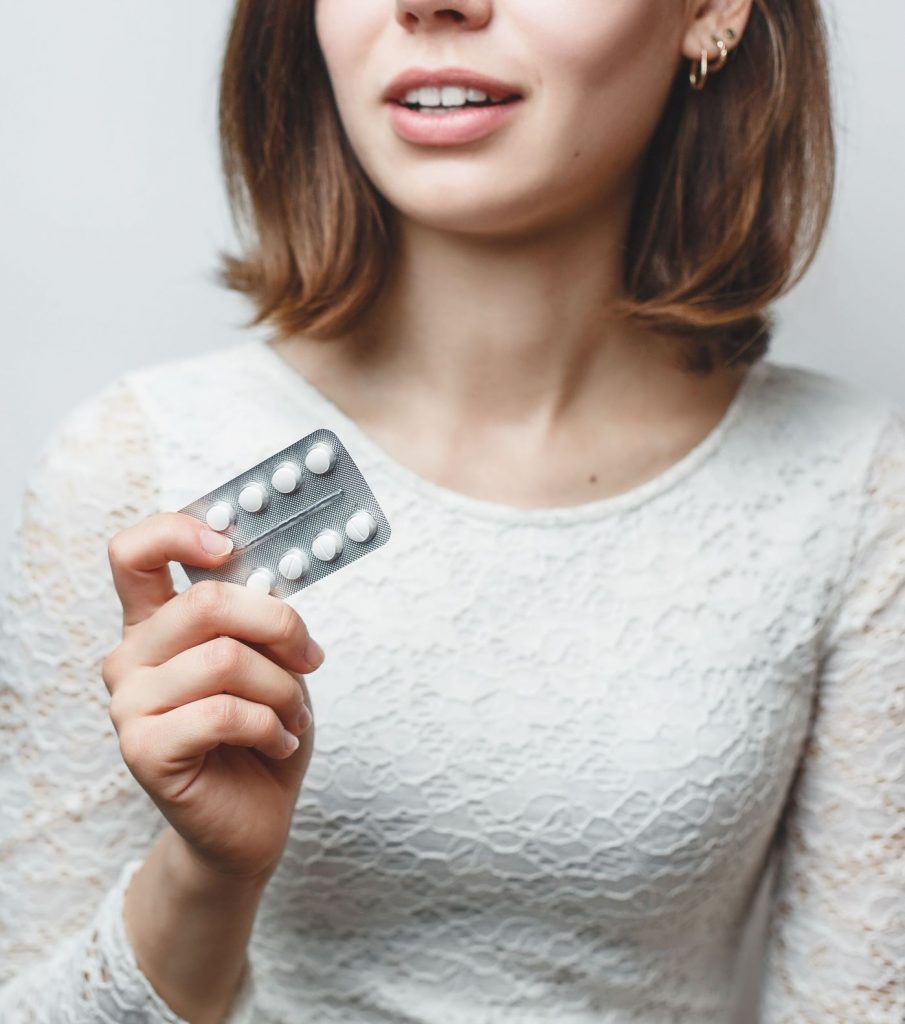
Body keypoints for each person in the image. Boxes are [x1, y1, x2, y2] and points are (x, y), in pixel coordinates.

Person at [1, 0, 902, 1021]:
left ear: (711, 12)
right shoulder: (133, 469)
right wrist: (205, 878)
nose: (436, 1)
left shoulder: (851, 489)